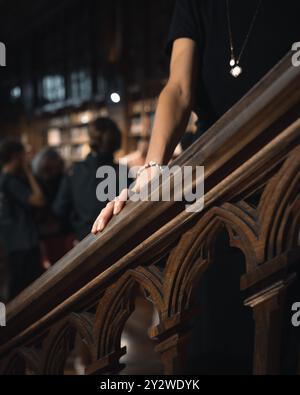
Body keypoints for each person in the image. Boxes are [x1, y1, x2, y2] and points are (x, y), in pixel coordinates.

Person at [92, 0, 300, 234]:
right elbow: (178, 89)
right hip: (213, 166)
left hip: (288, 155)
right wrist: (150, 171)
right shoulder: (195, 5)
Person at [54, 117, 124, 241]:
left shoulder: (74, 171)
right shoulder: (121, 172)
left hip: (83, 240)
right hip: (115, 238)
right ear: (117, 143)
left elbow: (59, 209)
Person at [0, 140, 45, 300]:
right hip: (23, 244)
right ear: (15, 156)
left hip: (13, 243)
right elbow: (39, 199)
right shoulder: (12, 182)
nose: (27, 158)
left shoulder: (4, 179)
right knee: (23, 290)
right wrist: (29, 172)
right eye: (23, 155)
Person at [32, 148, 74, 266]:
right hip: (44, 230)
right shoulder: (37, 180)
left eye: (52, 168)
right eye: (45, 169)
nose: (49, 173)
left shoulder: (62, 177)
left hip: (61, 228)